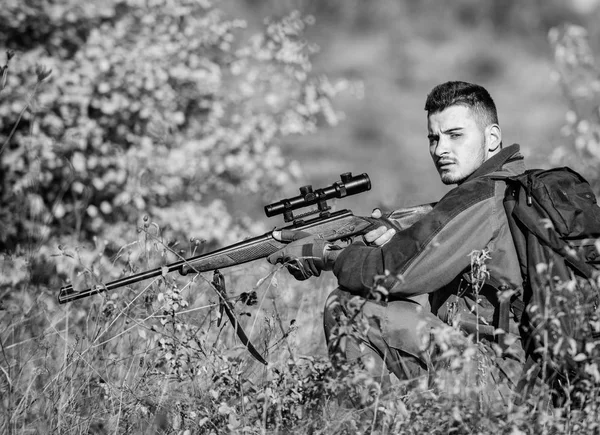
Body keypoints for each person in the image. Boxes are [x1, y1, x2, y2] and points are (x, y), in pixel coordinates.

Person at [267, 81, 527, 398]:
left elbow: (393, 275)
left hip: (499, 379)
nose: (440, 149)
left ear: (492, 138)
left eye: (455, 135)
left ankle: (371, 424)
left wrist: (327, 255)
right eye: (434, 138)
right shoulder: (510, 189)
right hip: (526, 373)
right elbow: (425, 251)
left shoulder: (479, 199)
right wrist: (393, 235)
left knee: (348, 307)